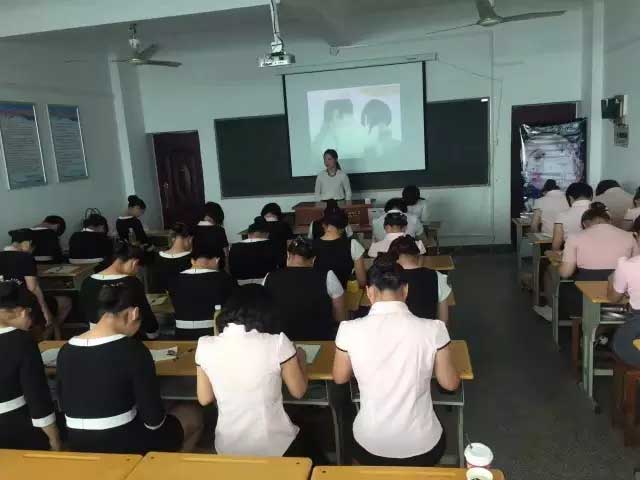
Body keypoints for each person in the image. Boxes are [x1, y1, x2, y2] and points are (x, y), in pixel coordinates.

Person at [332, 256, 460, 466]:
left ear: (370, 292)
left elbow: (339, 377)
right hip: (423, 445)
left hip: (369, 444)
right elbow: (450, 384)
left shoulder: (348, 330)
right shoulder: (434, 329)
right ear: (406, 290)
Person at [57, 283, 202, 454]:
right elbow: (153, 421)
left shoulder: (65, 350)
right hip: (124, 442)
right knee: (193, 414)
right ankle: (165, 466)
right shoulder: (133, 350)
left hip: (77, 440)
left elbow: (63, 403)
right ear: (134, 313)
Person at [196, 285, 312, 458]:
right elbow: (299, 391)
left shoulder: (205, 345)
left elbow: (204, 398)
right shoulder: (278, 342)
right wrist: (301, 359)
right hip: (275, 447)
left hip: (227, 447)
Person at [0, 281, 61, 451]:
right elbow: (37, 397)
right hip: (13, 425)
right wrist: (54, 438)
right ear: (22, 312)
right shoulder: (22, 341)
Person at [264, 237, 345, 341]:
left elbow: (263, 312)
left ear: (288, 255)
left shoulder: (269, 277)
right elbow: (340, 317)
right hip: (319, 340)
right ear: (314, 259)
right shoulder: (328, 276)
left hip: (281, 342)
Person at [1, 229, 71, 338]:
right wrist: (45, 313)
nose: (32, 251)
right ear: (27, 243)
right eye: (33, 248)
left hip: (3, 305)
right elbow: (33, 289)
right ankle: (43, 339)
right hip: (24, 305)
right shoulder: (25, 257)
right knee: (65, 302)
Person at [79, 244, 159, 339]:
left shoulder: (87, 282)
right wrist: (153, 333)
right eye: (138, 269)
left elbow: (86, 314)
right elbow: (145, 313)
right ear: (135, 263)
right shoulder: (131, 282)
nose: (136, 272)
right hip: (124, 337)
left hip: (94, 336)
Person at [168, 244, 236, 340]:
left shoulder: (174, 279)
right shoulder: (225, 279)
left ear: (192, 260)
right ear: (216, 260)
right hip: (214, 333)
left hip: (182, 334)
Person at [559, 202, 639, 280]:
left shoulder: (574, 238)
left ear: (584, 224)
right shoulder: (631, 236)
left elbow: (566, 273)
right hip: (621, 283)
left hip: (587, 284)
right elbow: (636, 267)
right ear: (609, 221)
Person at [389, 236, 452, 323]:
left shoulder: (386, 279)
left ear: (392, 258)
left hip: (396, 330)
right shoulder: (437, 276)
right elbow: (444, 319)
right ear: (418, 256)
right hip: (428, 330)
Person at [312, 208, 366, 288]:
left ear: (323, 225)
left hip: (319, 292)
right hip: (346, 292)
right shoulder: (353, 245)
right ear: (344, 227)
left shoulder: (312, 245)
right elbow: (362, 281)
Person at [608, 256, 640, 367]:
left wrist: (611, 282)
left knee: (621, 345)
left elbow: (613, 298)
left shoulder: (627, 265)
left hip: (636, 325)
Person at [229, 217, 280, 285]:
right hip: (266, 282)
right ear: (267, 233)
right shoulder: (272, 245)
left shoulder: (234, 247)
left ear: (249, 234)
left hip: (240, 283)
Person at [149, 222, 193, 294]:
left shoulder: (157, 257)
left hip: (161, 298)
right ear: (189, 238)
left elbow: (153, 288)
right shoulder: (191, 259)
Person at [551, 182, 593, 251]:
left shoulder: (562, 215)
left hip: (572, 255)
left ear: (570, 198)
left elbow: (556, 245)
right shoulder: (604, 212)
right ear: (591, 196)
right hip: (600, 255)